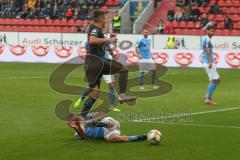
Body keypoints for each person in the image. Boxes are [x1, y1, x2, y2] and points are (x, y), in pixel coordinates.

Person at [68, 10, 136, 128]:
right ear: (100, 19)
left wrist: (110, 38)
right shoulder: (95, 28)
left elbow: (99, 41)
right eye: (104, 18)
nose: (106, 21)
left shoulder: (96, 29)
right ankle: (122, 95)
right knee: (123, 69)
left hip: (90, 64)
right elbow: (92, 40)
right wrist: (109, 39)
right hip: (97, 62)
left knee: (94, 93)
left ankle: (82, 118)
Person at [74, 36, 120, 112]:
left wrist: (113, 55)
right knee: (93, 87)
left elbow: (109, 49)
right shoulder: (89, 42)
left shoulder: (104, 39)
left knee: (111, 85)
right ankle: (80, 99)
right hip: (96, 66)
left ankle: (112, 106)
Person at [68, 112, 147, 142]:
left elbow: (102, 114)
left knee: (106, 122)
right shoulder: (77, 133)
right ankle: (140, 137)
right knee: (115, 139)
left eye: (74, 119)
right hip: (107, 134)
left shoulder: (87, 116)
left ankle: (95, 123)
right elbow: (83, 137)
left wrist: (91, 120)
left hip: (108, 124)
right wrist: (76, 127)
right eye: (72, 122)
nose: (73, 122)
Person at [201, 25, 220, 105]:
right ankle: (208, 99)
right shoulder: (207, 39)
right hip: (209, 62)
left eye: (213, 31)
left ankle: (207, 96)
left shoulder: (204, 38)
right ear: (207, 30)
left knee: (217, 80)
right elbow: (208, 51)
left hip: (208, 62)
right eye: (211, 31)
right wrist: (210, 62)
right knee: (215, 80)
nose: (213, 33)